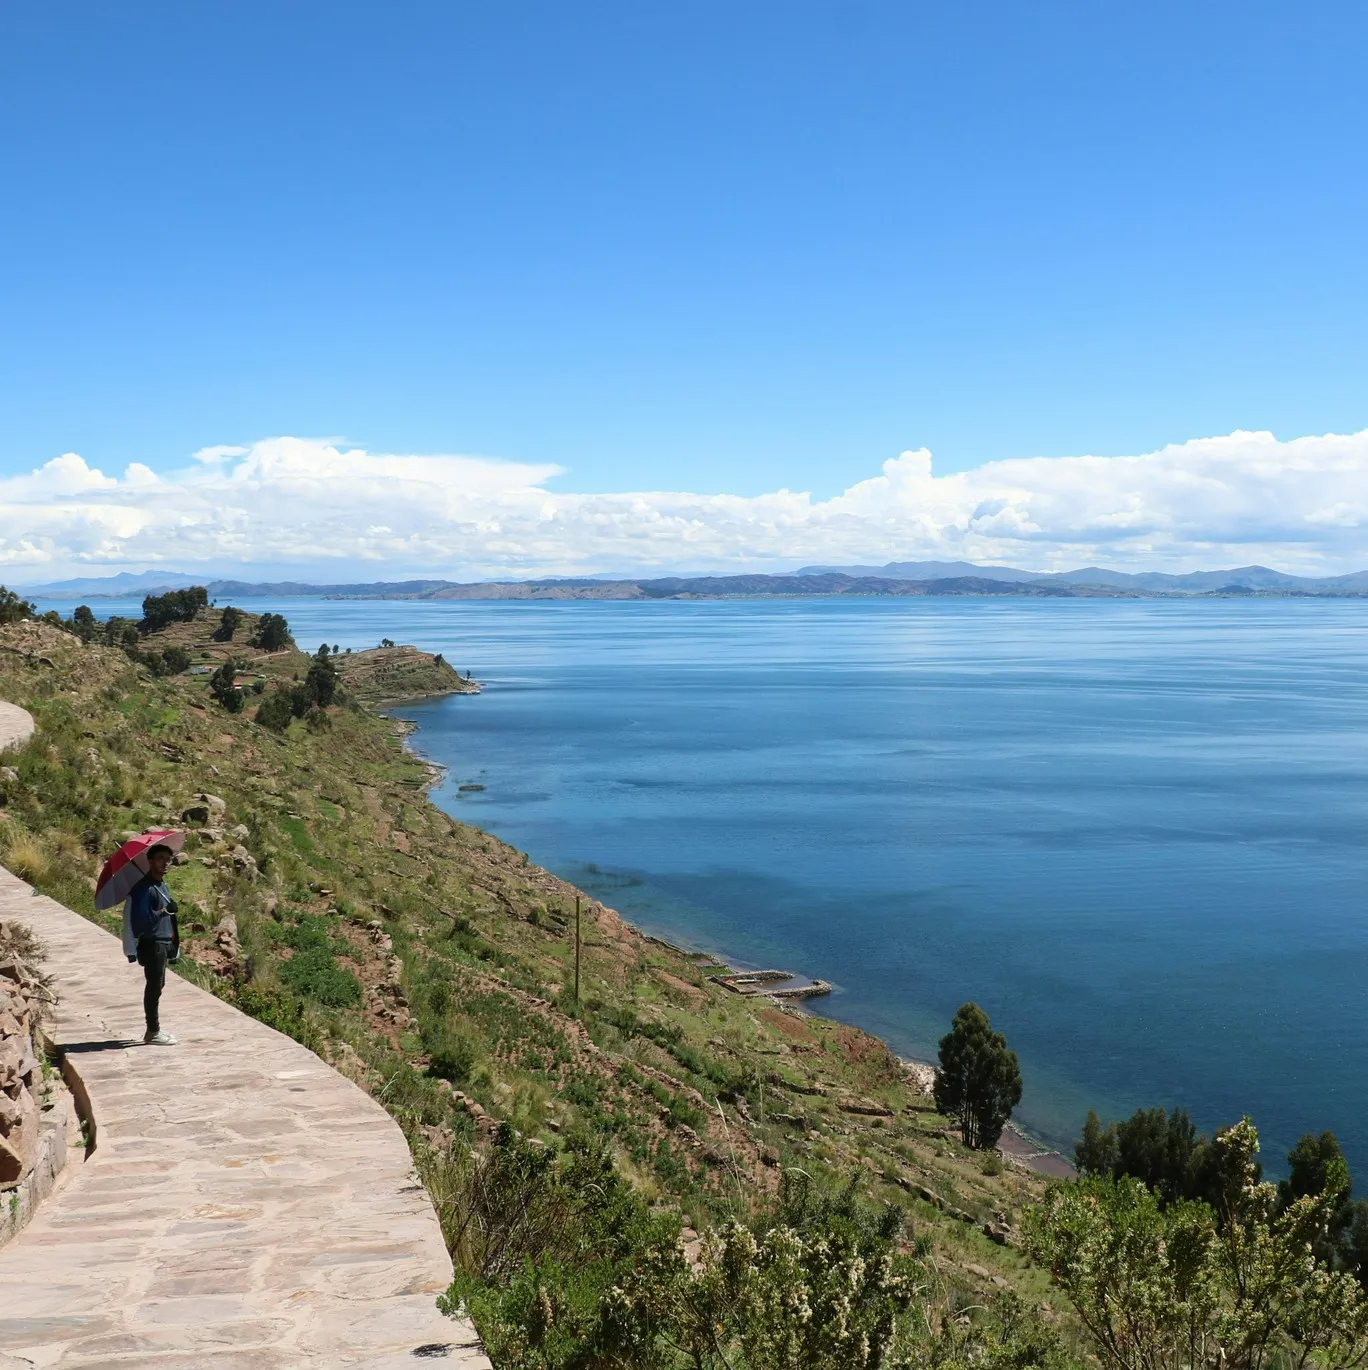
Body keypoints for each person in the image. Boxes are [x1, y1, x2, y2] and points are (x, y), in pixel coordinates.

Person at [120, 845, 180, 1046]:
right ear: (150, 861)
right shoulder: (143, 889)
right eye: (160, 858)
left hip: (163, 943)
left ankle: (153, 1029)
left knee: (158, 986)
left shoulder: (161, 886)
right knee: (154, 987)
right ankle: (153, 1031)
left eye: (168, 859)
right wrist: (164, 911)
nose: (165, 863)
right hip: (152, 944)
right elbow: (141, 923)